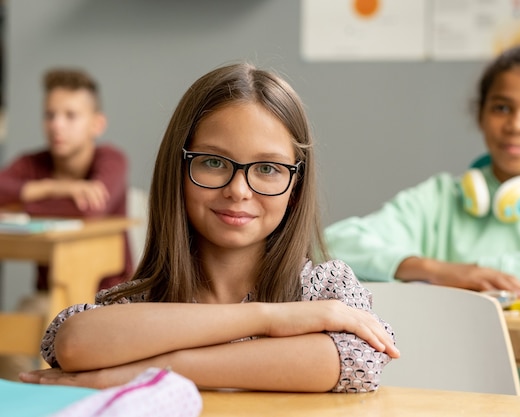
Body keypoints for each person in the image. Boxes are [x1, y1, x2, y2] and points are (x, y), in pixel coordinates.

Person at [19, 63, 399, 393]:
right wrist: (272, 318)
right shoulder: (145, 302)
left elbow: (356, 361)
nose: (238, 190)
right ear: (179, 170)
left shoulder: (323, 289)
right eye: (214, 162)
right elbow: (72, 343)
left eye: (267, 169)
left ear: (295, 186)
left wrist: (154, 370)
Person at [324, 43, 520, 401]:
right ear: (480, 114)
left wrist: (486, 269)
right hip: (456, 399)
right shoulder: (439, 200)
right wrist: (433, 269)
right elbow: (332, 243)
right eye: (502, 107)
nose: (516, 125)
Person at [0, 68, 132, 382]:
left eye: (70, 115)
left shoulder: (111, 160)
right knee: (24, 324)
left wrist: (23, 199)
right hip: (51, 294)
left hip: (112, 298)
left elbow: (91, 207)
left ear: (96, 124)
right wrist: (54, 188)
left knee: (37, 320)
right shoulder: (33, 163)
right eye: (50, 115)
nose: (57, 125)